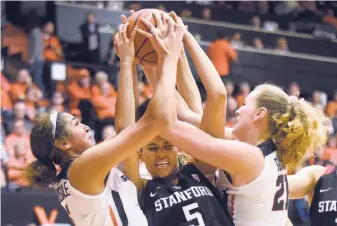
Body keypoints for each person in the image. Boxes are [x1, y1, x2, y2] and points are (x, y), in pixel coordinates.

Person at [155, 13, 328, 226]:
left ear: (259, 114)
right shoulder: (263, 153)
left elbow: (170, 123)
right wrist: (173, 49)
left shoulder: (248, 157)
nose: (238, 111)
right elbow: (186, 115)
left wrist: (167, 58)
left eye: (245, 104)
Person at [25, 19, 184, 226]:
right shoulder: (82, 169)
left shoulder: (79, 170)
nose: (86, 126)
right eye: (75, 124)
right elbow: (147, 124)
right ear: (63, 144)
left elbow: (126, 127)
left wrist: (131, 62)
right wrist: (168, 59)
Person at [123, 12, 234, 226]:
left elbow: (193, 105)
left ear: (179, 147)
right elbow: (126, 129)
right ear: (139, 152)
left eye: (167, 145)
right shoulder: (140, 190)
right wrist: (137, 62)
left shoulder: (201, 169)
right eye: (152, 148)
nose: (162, 153)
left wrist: (175, 51)